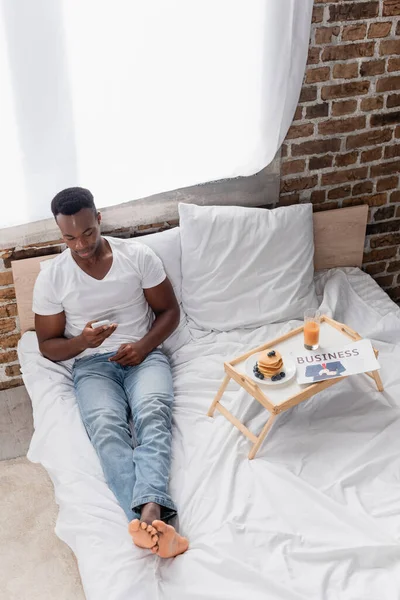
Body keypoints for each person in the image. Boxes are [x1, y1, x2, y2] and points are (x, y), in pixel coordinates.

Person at [33, 187, 188, 559]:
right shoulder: (53, 277)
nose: (81, 244)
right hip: (92, 367)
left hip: (144, 357)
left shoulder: (137, 257)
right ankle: (153, 516)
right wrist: (83, 343)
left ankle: (146, 517)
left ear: (99, 219)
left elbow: (169, 312)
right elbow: (48, 346)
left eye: (87, 233)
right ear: (60, 234)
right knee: (105, 426)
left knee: (153, 413)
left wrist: (143, 347)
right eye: (69, 237)